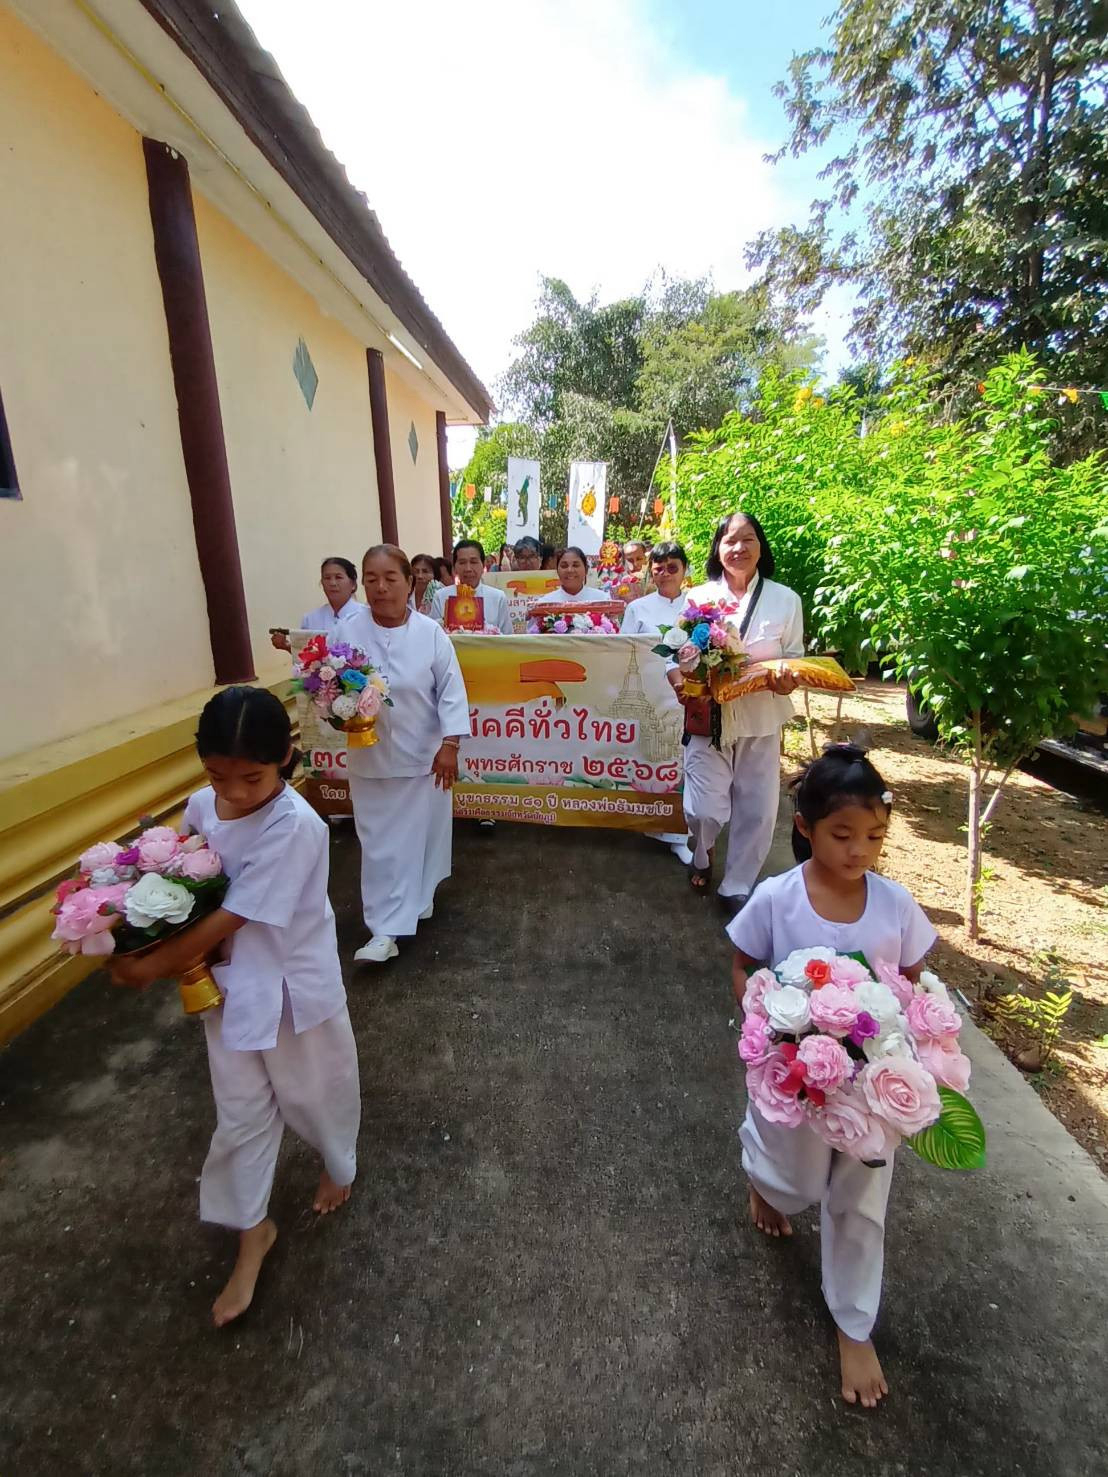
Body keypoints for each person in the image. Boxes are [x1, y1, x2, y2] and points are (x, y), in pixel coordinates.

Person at [108, 687, 360, 1328]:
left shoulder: (296, 827)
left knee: (314, 1092)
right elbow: (180, 883)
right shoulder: (201, 806)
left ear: (288, 760)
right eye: (219, 775)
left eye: (253, 777)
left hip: (292, 990)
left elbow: (232, 913)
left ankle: (337, 1164)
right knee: (241, 1115)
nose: (236, 792)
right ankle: (253, 1232)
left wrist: (149, 965)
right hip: (229, 989)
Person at [727, 744, 936, 1407]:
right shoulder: (776, 897)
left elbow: (911, 982)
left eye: (874, 835)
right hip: (796, 1080)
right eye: (842, 834)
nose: (859, 851)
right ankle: (762, 1173)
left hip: (874, 1094)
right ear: (805, 824)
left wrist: (913, 1035)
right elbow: (743, 963)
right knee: (792, 1181)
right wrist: (770, 1017)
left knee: (860, 1198)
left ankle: (853, 1321)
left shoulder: (896, 905)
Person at [343, 545, 470, 962]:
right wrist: (337, 714)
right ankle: (383, 931)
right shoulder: (346, 632)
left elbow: (451, 691)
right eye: (371, 579)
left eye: (390, 578)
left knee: (425, 837)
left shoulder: (430, 633)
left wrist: (450, 745)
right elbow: (325, 688)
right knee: (380, 846)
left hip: (425, 758)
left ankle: (417, 899)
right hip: (371, 760)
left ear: (409, 581)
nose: (380, 588)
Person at [673, 512, 802, 904]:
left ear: (761, 546)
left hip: (762, 718)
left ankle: (738, 884)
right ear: (718, 549)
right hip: (709, 718)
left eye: (748, 539)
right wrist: (681, 681)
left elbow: (794, 657)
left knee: (758, 809)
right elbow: (675, 654)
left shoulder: (785, 600)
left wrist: (787, 679)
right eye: (730, 540)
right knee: (704, 809)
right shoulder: (698, 599)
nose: (739, 548)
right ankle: (702, 848)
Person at [619, 540, 694, 865]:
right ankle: (652, 825)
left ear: (684, 571)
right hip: (650, 694)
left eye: (672, 567)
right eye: (659, 568)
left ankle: (682, 833)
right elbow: (622, 649)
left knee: (688, 762)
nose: (665, 574)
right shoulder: (638, 607)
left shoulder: (698, 605)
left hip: (691, 697)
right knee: (652, 759)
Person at [270, 557, 361, 650]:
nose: (332, 583)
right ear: (322, 583)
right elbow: (305, 656)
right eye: (327, 578)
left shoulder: (366, 616)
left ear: (353, 584)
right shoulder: (310, 619)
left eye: (338, 577)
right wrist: (286, 646)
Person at [429, 539, 514, 633]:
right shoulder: (441, 596)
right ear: (454, 568)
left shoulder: (498, 597)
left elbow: (507, 638)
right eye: (462, 562)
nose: (468, 569)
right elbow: (434, 635)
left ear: (483, 565)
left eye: (473, 562)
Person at [532, 546, 597, 604]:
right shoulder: (545, 603)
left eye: (575, 565)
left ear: (586, 569)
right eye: (564, 566)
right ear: (557, 571)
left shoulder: (601, 600)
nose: (570, 570)